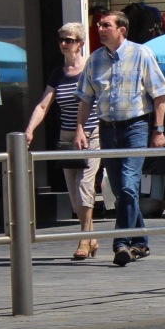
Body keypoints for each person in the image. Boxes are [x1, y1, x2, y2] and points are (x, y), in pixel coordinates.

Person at [75, 10, 165, 268]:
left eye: (106, 25)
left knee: (129, 186)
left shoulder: (141, 54)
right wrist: (80, 129)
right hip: (108, 128)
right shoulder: (94, 60)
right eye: (99, 25)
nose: (100, 29)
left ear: (122, 30)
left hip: (135, 126)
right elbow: (85, 98)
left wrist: (158, 130)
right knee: (119, 190)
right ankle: (141, 241)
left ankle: (121, 243)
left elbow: (160, 94)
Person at [25, 23, 100, 261]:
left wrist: (82, 129)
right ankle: (92, 236)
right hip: (67, 136)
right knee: (73, 191)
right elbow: (43, 104)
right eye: (61, 40)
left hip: (91, 134)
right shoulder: (58, 73)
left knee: (84, 187)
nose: (64, 44)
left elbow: (89, 102)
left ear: (80, 43)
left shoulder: (90, 69)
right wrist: (29, 130)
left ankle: (84, 240)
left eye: (69, 40)